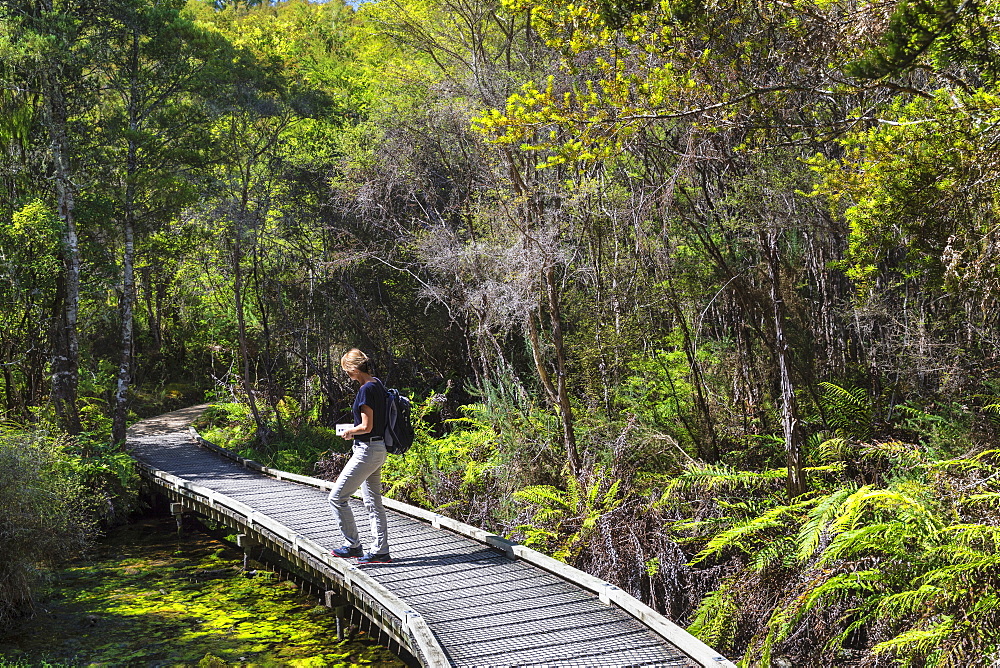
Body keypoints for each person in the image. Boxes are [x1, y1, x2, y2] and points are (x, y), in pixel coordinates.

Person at [327, 348, 392, 564]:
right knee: (373, 501)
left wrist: (349, 431)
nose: (348, 376)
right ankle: (380, 551)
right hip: (378, 448)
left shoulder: (366, 390)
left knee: (337, 498)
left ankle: (352, 545)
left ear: (354, 369)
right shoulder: (378, 385)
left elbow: (366, 426)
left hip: (367, 450)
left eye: (347, 372)